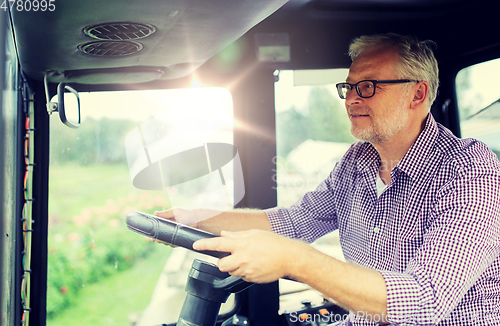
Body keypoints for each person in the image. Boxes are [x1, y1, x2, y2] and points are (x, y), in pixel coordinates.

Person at [155, 33, 500, 325]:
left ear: (418, 94)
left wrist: (296, 259)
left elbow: (426, 299)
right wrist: (194, 219)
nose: (351, 99)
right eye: (348, 88)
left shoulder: (470, 170)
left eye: (367, 86)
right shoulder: (356, 162)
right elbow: (293, 222)